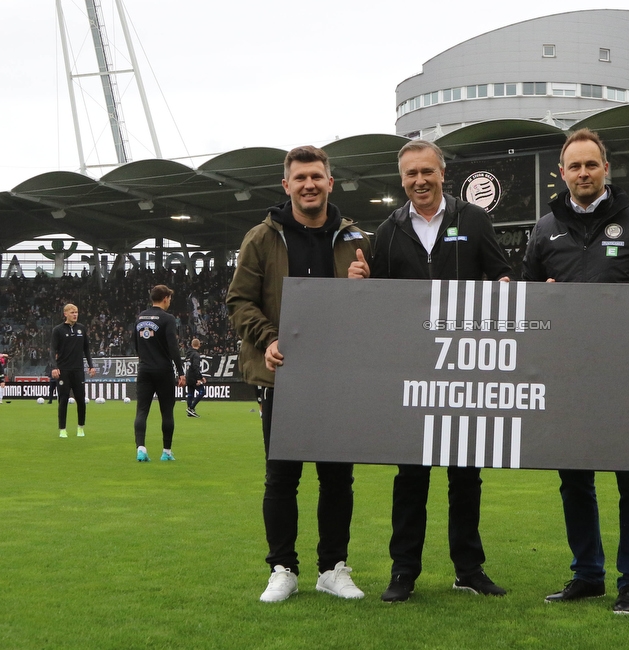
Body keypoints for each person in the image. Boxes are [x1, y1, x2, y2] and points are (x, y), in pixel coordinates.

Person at [521, 128, 629, 614]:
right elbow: (527, 296)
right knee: (574, 482)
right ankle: (587, 575)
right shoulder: (543, 228)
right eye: (574, 166)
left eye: (591, 165)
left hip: (628, 378)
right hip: (567, 376)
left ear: (605, 169)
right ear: (562, 172)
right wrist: (541, 294)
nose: (583, 174)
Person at [351, 139, 512, 603]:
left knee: (466, 475)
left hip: (463, 366)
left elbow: (500, 272)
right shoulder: (387, 229)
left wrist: (501, 283)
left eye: (427, 171)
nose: (419, 181)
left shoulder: (474, 219)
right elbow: (378, 302)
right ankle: (404, 571)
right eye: (410, 174)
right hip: (412, 370)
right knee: (411, 477)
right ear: (401, 180)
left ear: (443, 173)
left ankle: (469, 569)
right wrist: (362, 285)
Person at [227, 145, 372, 603]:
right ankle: (282, 568)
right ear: (286, 186)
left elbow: (382, 308)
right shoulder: (261, 238)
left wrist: (365, 287)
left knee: (337, 479)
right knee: (281, 478)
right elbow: (239, 301)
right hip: (282, 377)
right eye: (300, 178)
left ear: (331, 182)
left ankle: (332, 568)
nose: (309, 184)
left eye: (317, 176)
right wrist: (269, 338)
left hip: (339, 375)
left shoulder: (356, 240)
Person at [133, 285, 186, 462]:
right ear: (165, 298)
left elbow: (136, 344)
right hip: (163, 370)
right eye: (169, 298)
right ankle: (166, 452)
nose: (170, 301)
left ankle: (141, 449)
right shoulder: (168, 319)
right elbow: (173, 347)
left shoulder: (140, 317)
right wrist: (180, 372)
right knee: (167, 412)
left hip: (144, 369)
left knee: (141, 411)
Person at [51, 303, 96, 438]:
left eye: (76, 312)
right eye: (72, 312)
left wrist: (91, 365)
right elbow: (53, 350)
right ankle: (62, 429)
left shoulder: (81, 328)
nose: (75, 314)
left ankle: (80, 427)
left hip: (78, 370)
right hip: (63, 370)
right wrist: (54, 367)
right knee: (63, 399)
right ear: (65, 314)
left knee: (81, 400)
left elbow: (86, 348)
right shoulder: (58, 330)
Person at [185, 338, 206, 417]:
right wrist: (199, 378)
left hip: (188, 376)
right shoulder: (196, 355)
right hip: (194, 377)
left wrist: (201, 377)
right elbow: (195, 367)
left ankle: (190, 412)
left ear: (191, 345)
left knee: (190, 393)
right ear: (199, 345)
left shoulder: (188, 354)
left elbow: (189, 365)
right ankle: (191, 408)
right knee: (202, 392)